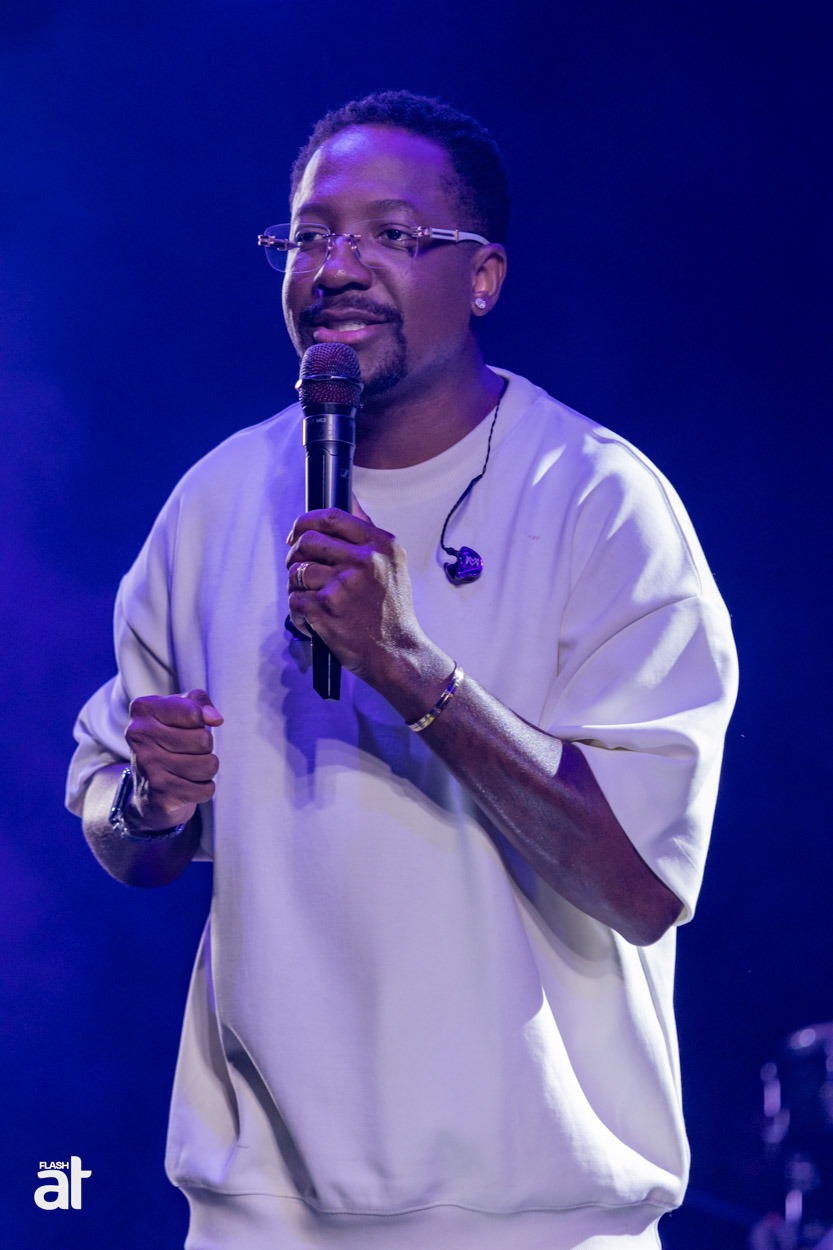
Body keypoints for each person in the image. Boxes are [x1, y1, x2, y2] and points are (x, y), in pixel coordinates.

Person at [67, 91, 738, 1250]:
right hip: (259, 1216)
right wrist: (151, 800)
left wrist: (409, 669)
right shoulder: (215, 500)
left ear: (482, 276)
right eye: (309, 234)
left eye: (390, 233)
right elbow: (126, 834)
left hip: (531, 1222)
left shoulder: (596, 498)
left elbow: (640, 886)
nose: (337, 267)